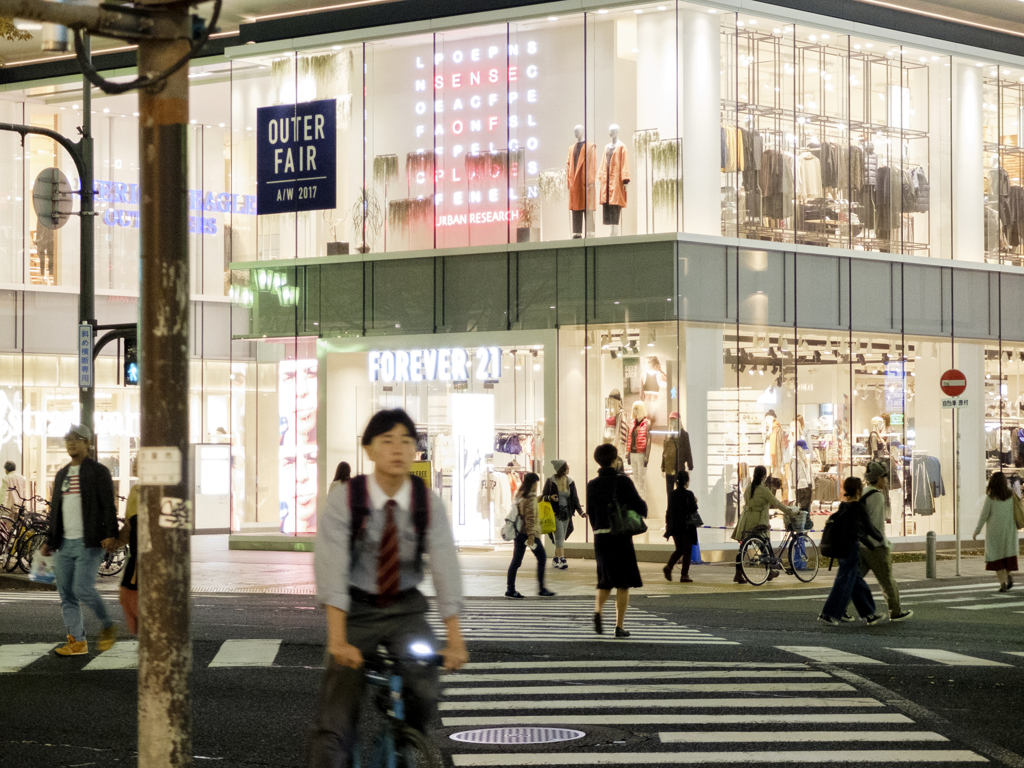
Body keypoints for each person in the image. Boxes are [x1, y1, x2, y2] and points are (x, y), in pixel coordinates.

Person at [308, 409, 467, 767]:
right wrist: (337, 640)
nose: (397, 449)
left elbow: (444, 566)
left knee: (425, 686)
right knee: (335, 723)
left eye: (406, 441)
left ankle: (406, 739)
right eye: (387, 441)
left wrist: (455, 639)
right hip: (355, 608)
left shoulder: (428, 503)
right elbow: (331, 569)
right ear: (369, 449)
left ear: (415, 451)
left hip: (405, 607)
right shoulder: (346, 500)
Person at [41, 425, 120, 656]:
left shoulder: (98, 471)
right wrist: (50, 540)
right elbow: (56, 510)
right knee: (66, 594)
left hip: (90, 542)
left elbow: (108, 505)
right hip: (65, 543)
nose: (71, 443)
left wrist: (111, 534)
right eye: (68, 439)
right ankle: (77, 642)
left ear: (88, 443)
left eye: (77, 439)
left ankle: (107, 624)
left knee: (82, 588)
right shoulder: (62, 474)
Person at [587, 443, 646, 637]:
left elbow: (590, 513)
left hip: (600, 537)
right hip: (620, 537)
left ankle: (598, 611)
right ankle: (619, 626)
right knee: (623, 582)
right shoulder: (623, 482)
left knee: (605, 580)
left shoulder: (592, 485)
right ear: (614, 460)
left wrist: (598, 529)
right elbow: (640, 506)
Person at [818, 476, 884, 626]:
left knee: (856, 582)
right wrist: (881, 539)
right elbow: (869, 528)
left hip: (840, 548)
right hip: (850, 548)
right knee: (844, 581)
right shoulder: (859, 507)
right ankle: (829, 613)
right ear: (859, 490)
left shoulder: (843, 506)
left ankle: (869, 614)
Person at [858, 461, 913, 621]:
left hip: (862, 545)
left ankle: (838, 610)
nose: (887, 481)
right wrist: (883, 542)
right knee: (887, 580)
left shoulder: (863, 493)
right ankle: (895, 611)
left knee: (854, 579)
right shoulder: (877, 496)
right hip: (875, 546)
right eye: (884, 477)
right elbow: (877, 524)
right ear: (878, 478)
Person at [732, 464, 789, 584]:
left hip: (745, 519)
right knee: (763, 545)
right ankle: (769, 571)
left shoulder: (749, 488)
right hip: (757, 521)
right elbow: (777, 503)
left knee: (743, 548)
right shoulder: (763, 490)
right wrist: (790, 512)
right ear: (764, 476)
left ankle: (738, 574)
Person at [506, 473, 555, 598]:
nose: (536, 486)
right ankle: (541, 589)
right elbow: (530, 517)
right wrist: (532, 536)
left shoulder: (521, 495)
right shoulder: (530, 498)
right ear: (532, 483)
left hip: (519, 534)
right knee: (542, 558)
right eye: (536, 484)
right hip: (529, 535)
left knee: (516, 561)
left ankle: (510, 589)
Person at [973, 472, 1019, 592]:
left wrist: (976, 531)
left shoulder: (991, 498)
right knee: (1008, 555)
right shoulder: (1011, 496)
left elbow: (984, 516)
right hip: (1009, 531)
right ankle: (1009, 575)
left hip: (995, 532)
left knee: (996, 557)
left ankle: (1002, 583)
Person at [542, 460, 584, 570]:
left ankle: (556, 560)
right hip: (555, 513)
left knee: (561, 537)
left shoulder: (570, 481)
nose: (568, 469)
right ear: (561, 469)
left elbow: (575, 499)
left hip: (567, 514)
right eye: (567, 467)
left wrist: (581, 512)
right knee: (559, 537)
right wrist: (549, 498)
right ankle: (562, 559)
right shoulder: (550, 481)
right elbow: (543, 497)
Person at [664, 470, 699, 583]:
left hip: (675, 527)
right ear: (686, 481)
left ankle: (669, 566)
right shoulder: (689, 494)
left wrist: (668, 526)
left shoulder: (672, 494)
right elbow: (693, 509)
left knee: (679, 549)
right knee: (687, 551)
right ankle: (684, 575)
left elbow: (669, 510)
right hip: (686, 527)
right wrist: (695, 501)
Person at [117, 485, 140, 636]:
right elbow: (130, 527)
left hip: (151, 561)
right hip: (135, 558)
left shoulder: (166, 491)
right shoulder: (136, 491)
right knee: (127, 598)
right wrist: (114, 542)